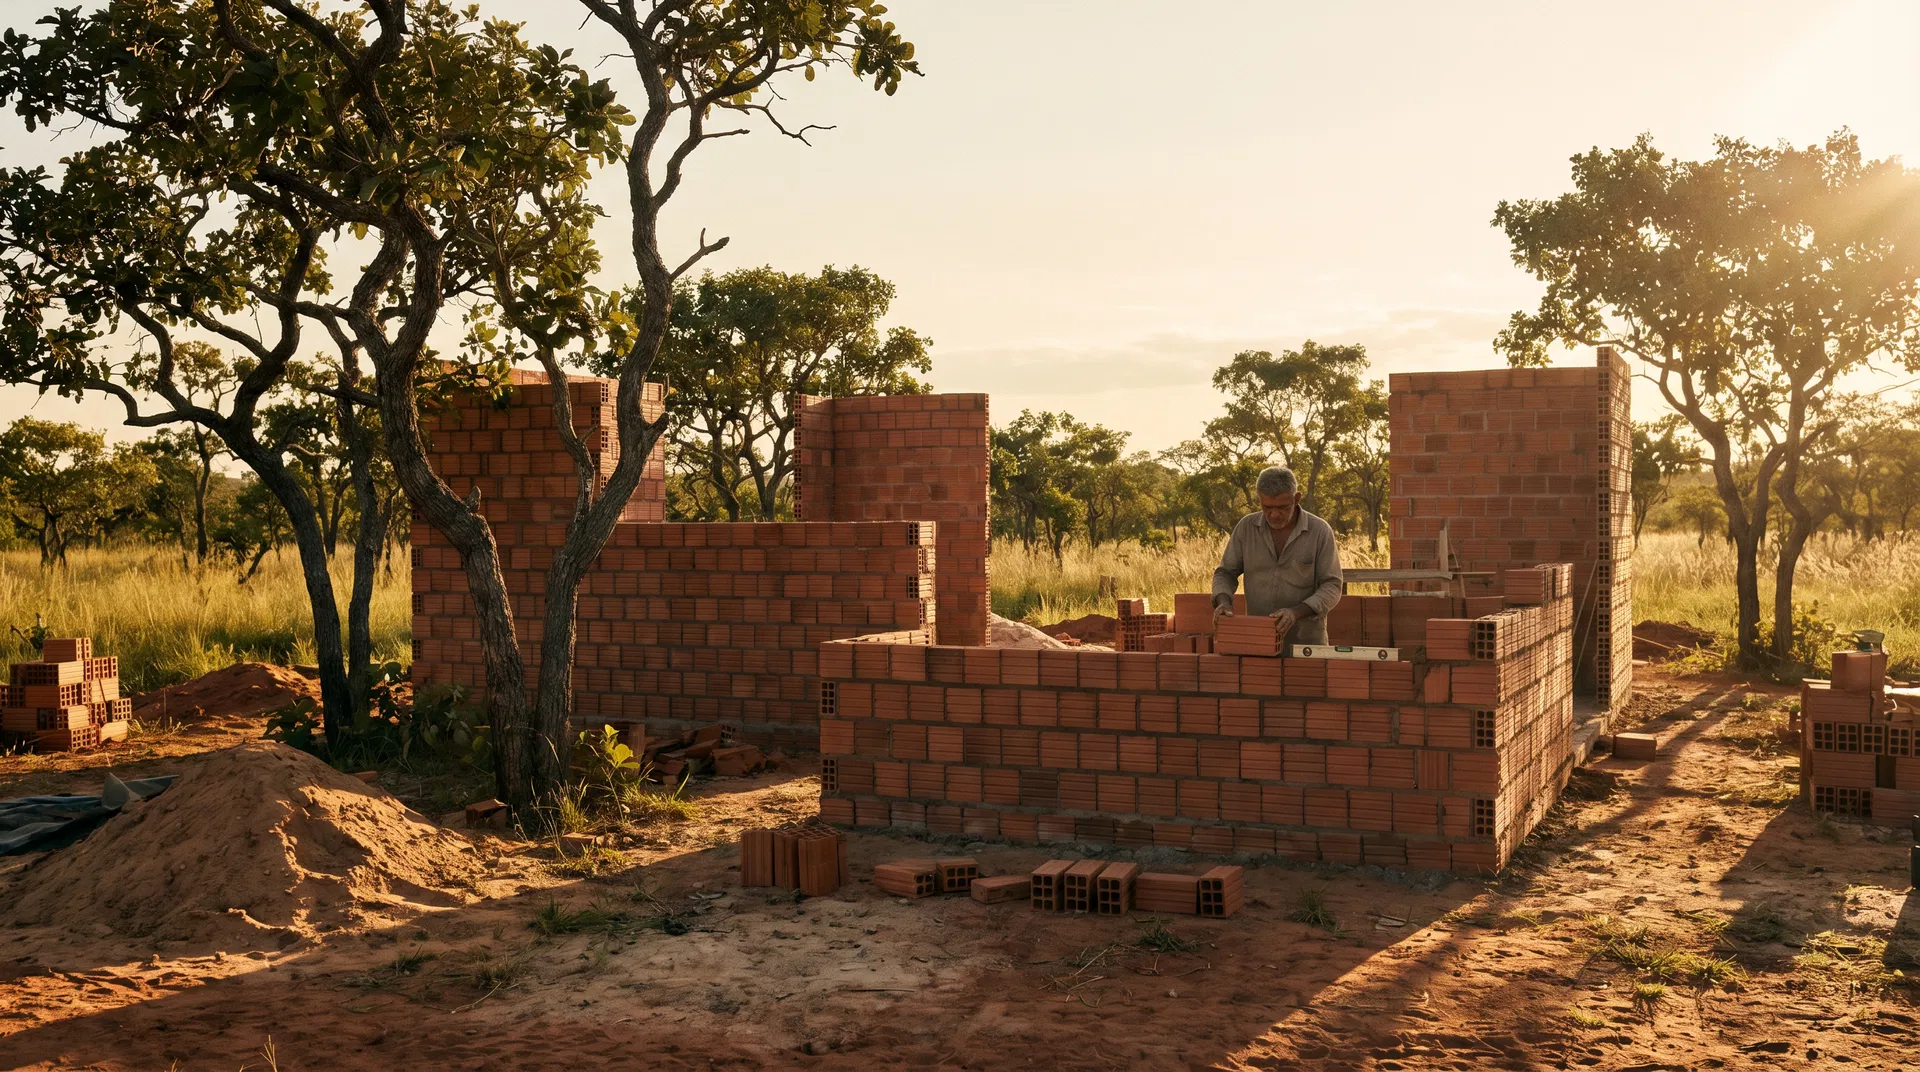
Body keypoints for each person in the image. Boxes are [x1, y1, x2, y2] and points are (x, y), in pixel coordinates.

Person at [1212, 466, 1344, 646]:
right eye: (1267, 507)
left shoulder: (1320, 531)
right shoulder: (1246, 528)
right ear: (1260, 500)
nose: (1274, 515)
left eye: (1282, 507)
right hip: (1259, 642)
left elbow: (1332, 586)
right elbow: (1225, 573)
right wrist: (1223, 601)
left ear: (1296, 499)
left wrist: (1295, 613)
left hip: (1306, 643)